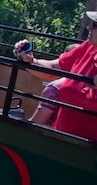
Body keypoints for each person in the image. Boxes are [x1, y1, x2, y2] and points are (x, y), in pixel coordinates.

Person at [13, 10, 97, 141]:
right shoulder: (88, 47)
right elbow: (53, 69)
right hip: (59, 142)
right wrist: (29, 60)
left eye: (95, 25)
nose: (89, 27)